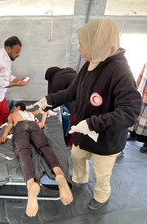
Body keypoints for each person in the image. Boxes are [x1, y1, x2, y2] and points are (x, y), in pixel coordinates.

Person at [36, 19, 141, 210]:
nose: (79, 49)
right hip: (84, 133)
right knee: (77, 156)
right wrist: (48, 100)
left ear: (97, 44)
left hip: (106, 139)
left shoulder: (121, 72)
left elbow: (130, 112)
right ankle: (80, 181)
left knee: (101, 172)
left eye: (83, 44)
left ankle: (101, 196)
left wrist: (92, 123)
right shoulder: (90, 64)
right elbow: (71, 92)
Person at [0, 103, 73, 217]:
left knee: (23, 151)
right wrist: (42, 122)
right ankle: (59, 173)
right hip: (33, 125)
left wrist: (4, 136)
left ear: (17, 108)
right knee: (44, 147)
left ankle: (31, 185)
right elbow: (45, 109)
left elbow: (8, 125)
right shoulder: (30, 114)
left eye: (14, 107)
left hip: (20, 126)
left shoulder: (13, 115)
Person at [45, 66, 77, 146]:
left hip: (77, 105)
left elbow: (54, 97)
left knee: (74, 124)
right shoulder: (67, 73)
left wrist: (44, 108)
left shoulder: (58, 78)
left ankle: (69, 143)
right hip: (79, 101)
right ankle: (69, 141)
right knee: (73, 123)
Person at [128, 62, 147, 153]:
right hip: (142, 91)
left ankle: (146, 144)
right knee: (137, 114)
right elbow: (142, 74)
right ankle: (133, 134)